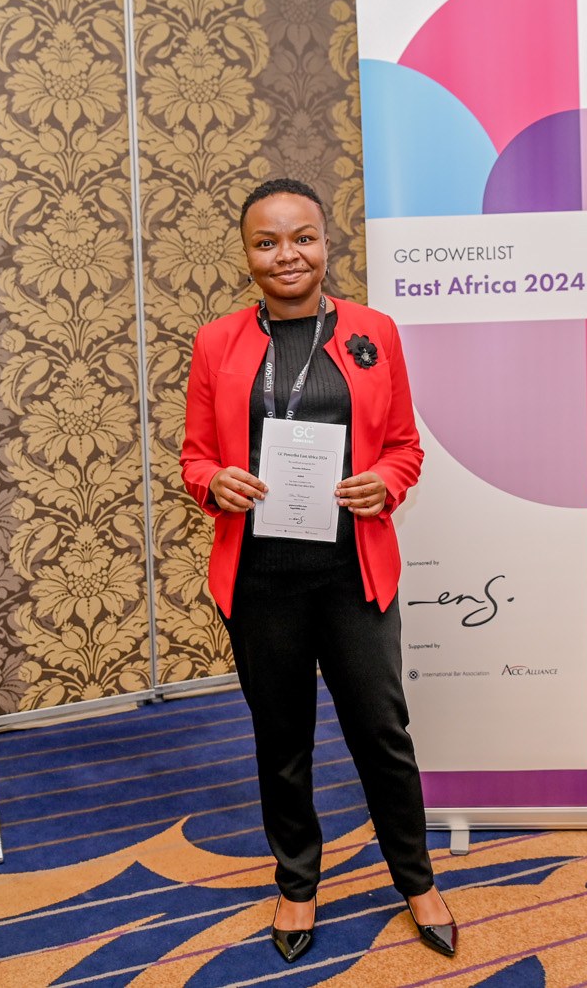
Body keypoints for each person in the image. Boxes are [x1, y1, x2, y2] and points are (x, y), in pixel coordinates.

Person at [179, 177, 456, 963]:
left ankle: (417, 881)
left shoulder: (374, 332)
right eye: (266, 242)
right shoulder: (216, 343)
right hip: (260, 579)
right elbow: (194, 457)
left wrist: (387, 482)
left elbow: (404, 445)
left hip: (350, 573)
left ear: (327, 243)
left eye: (302, 237)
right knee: (282, 739)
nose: (287, 255)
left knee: (382, 733)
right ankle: (297, 883)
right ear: (247, 255)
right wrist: (213, 482)